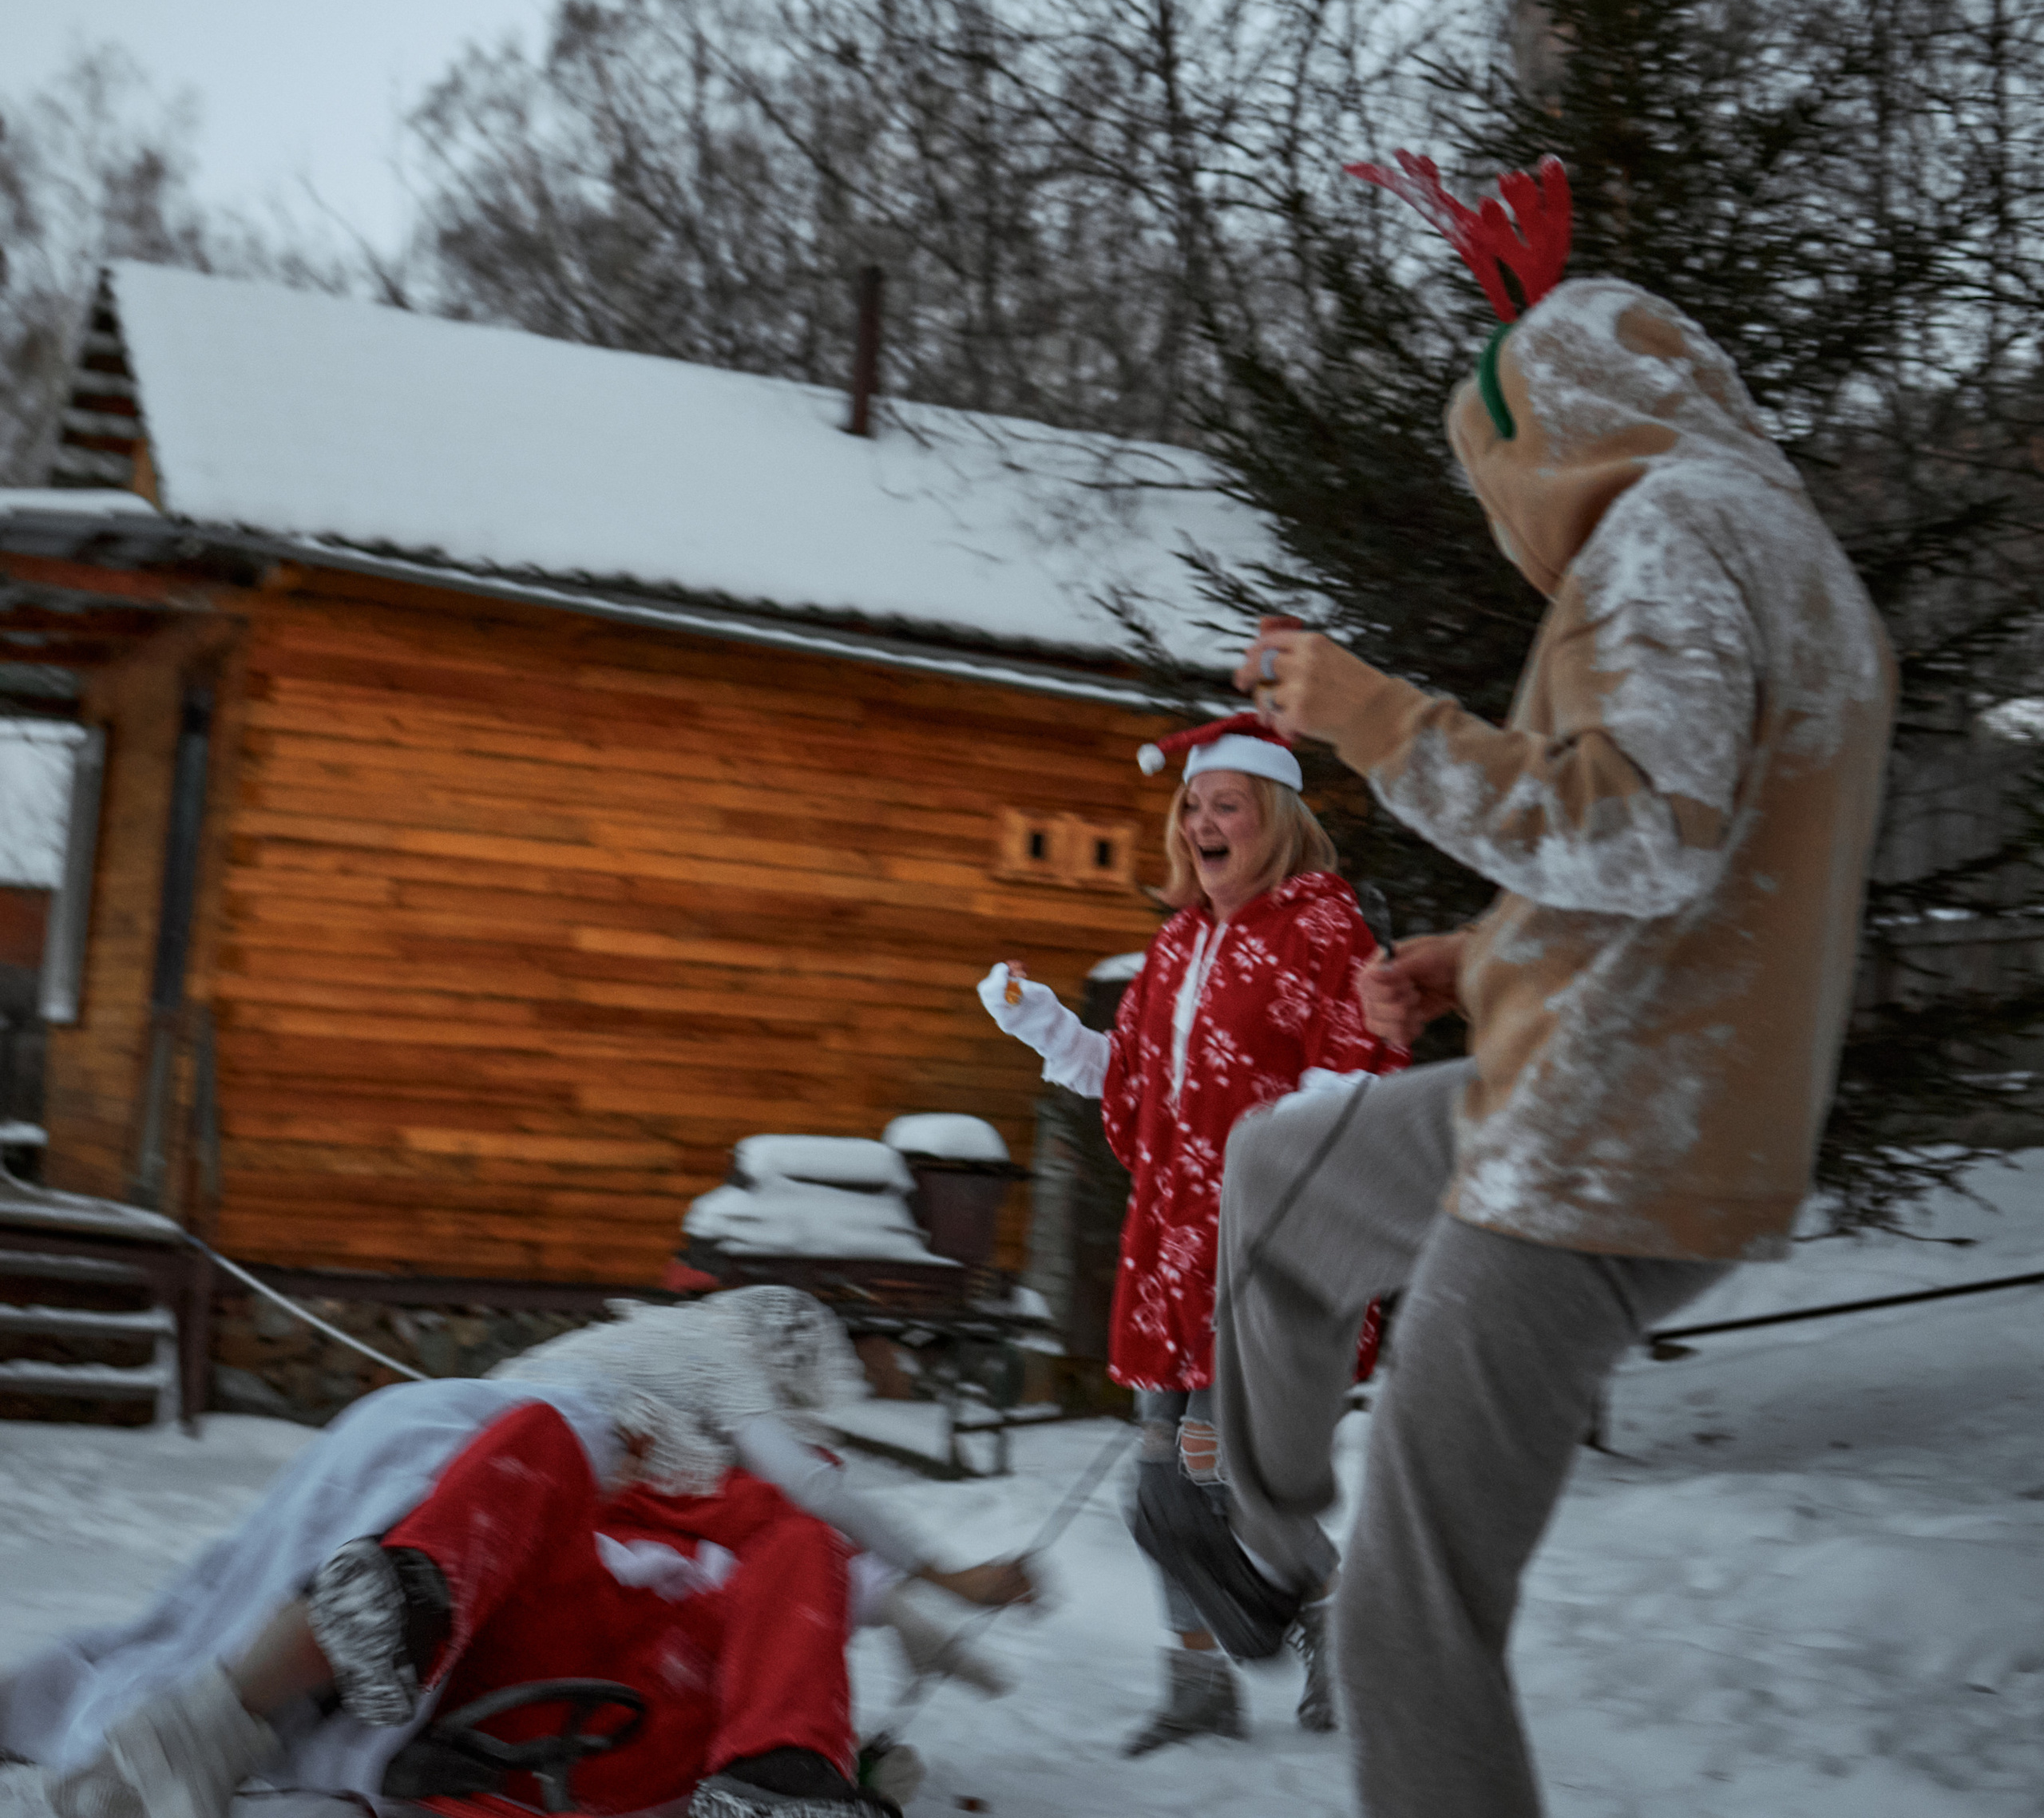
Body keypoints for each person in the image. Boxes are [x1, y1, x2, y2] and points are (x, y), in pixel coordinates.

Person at [1195, 155, 1895, 1816]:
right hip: (1643, 1094)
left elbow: (1644, 838)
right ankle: (1250, 1526)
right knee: (1279, 1173)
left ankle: (1289, 1556)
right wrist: (1478, 954)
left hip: (1591, 1157)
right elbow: (1718, 877)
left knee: (1410, 1623)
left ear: (1540, 441)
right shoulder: (1779, 550)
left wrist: (1366, 714)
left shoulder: (1657, 544)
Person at [0, 1287, 1031, 1818]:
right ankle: (289, 1675)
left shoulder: (773, 1510)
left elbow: (867, 1589)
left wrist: (883, 1713)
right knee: (537, 1439)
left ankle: (785, 1781)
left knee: (805, 1549)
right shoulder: (629, 1454)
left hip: (656, 1688)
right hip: (509, 1647)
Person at [977, 714, 1409, 1754]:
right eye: (1193, 807)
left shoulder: (1323, 927)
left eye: (1229, 805)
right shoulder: (1174, 945)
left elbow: (1352, 1078)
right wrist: (1040, 1024)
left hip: (1264, 1253)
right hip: (1167, 1252)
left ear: (1279, 822)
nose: (1204, 823)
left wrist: (1289, 1190)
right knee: (1167, 1471)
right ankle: (1196, 1681)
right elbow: (1130, 1090)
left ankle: (1330, 1614)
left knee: (1217, 1479)